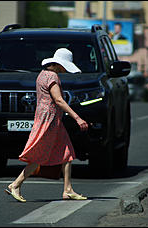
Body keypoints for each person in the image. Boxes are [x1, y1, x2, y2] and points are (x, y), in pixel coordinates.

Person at [5, 48, 89, 203]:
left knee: (67, 152)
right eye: (64, 66)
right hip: (49, 120)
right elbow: (58, 100)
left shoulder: (42, 74)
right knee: (40, 155)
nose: (65, 70)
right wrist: (77, 118)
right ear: (58, 64)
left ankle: (68, 189)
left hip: (49, 118)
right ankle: (15, 184)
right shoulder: (52, 76)